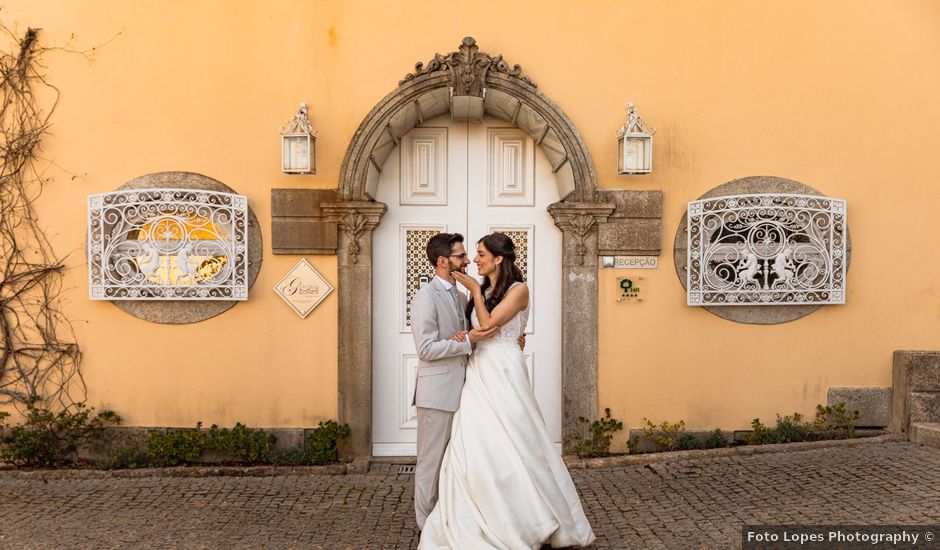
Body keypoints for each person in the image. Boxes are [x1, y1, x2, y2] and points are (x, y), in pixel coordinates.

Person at [418, 232, 596, 549]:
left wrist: (477, 299)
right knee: (473, 445)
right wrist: (465, 331)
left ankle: (530, 514)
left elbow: (489, 328)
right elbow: (472, 332)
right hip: (476, 372)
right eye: (470, 254)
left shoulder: (517, 289)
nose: (474, 260)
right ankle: (475, 510)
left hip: (504, 370)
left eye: (481, 254)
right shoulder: (479, 291)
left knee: (518, 440)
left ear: (499, 258)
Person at [410, 233, 498, 531]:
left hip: (466, 391)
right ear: (443, 261)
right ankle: (426, 526)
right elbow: (425, 349)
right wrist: (466, 341)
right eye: (461, 256)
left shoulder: (462, 297)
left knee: (455, 462)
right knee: (430, 462)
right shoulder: (425, 297)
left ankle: (449, 516)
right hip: (436, 394)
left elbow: (472, 335)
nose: (468, 260)